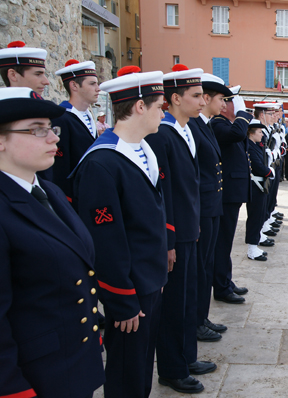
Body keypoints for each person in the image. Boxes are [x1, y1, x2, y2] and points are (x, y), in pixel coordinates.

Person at [0, 87, 105, 398]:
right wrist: (11, 388)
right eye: (37, 130)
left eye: (51, 128)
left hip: (72, 360)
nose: (53, 139)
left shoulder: (49, 191)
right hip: (34, 377)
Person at [72, 66, 168, 397]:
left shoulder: (142, 149)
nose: (163, 112)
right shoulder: (102, 162)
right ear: (139, 106)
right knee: (126, 370)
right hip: (130, 288)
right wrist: (122, 298)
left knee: (141, 364)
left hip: (149, 279)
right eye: (159, 106)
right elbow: (105, 240)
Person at [145, 65, 216, 393]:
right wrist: (170, 240)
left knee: (188, 298)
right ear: (175, 98)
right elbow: (164, 193)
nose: (202, 101)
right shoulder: (163, 134)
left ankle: (187, 356)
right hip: (177, 235)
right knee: (174, 304)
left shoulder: (186, 130)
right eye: (196, 95)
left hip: (191, 230)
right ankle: (172, 368)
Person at [188, 74, 232, 343]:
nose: (224, 105)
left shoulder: (204, 125)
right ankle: (195, 320)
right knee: (200, 267)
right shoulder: (194, 126)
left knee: (206, 264)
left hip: (211, 205)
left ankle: (201, 317)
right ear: (206, 99)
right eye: (221, 100)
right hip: (203, 207)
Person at [211, 84, 253, 304]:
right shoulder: (218, 124)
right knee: (223, 241)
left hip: (233, 192)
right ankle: (221, 285)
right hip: (226, 192)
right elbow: (237, 133)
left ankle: (225, 280)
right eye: (232, 101)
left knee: (226, 241)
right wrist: (242, 114)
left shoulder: (226, 124)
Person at [46, 59, 100, 201]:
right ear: (74, 85)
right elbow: (60, 169)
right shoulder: (62, 118)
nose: (98, 88)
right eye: (92, 84)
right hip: (73, 198)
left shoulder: (88, 115)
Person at [246, 119, 275, 261]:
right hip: (255, 186)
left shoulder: (255, 145)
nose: (262, 134)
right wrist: (269, 171)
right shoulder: (249, 146)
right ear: (251, 134)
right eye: (259, 132)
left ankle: (256, 241)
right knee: (255, 217)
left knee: (260, 214)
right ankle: (251, 249)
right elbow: (257, 166)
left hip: (260, 185)